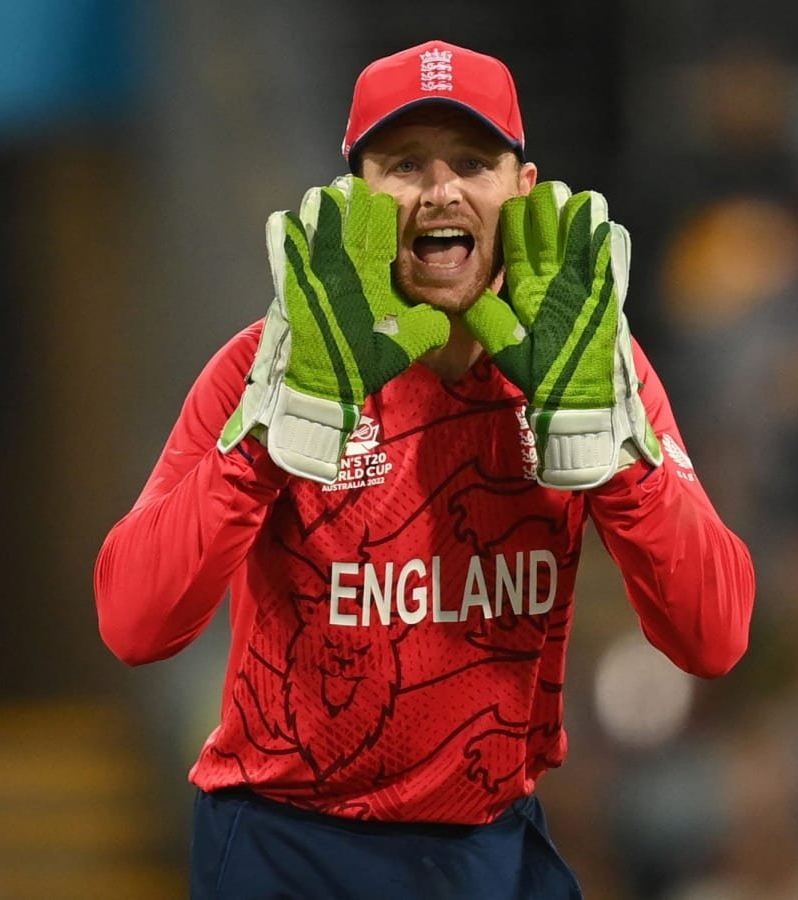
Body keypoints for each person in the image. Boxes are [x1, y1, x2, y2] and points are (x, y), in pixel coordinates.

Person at [94, 38, 755, 900]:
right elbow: (136, 623)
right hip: (289, 848)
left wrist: (614, 457)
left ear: (523, 189)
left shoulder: (591, 367)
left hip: (492, 845)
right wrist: (270, 437)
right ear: (356, 198)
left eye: (473, 163)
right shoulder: (265, 366)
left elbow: (713, 636)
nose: (441, 191)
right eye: (405, 164)